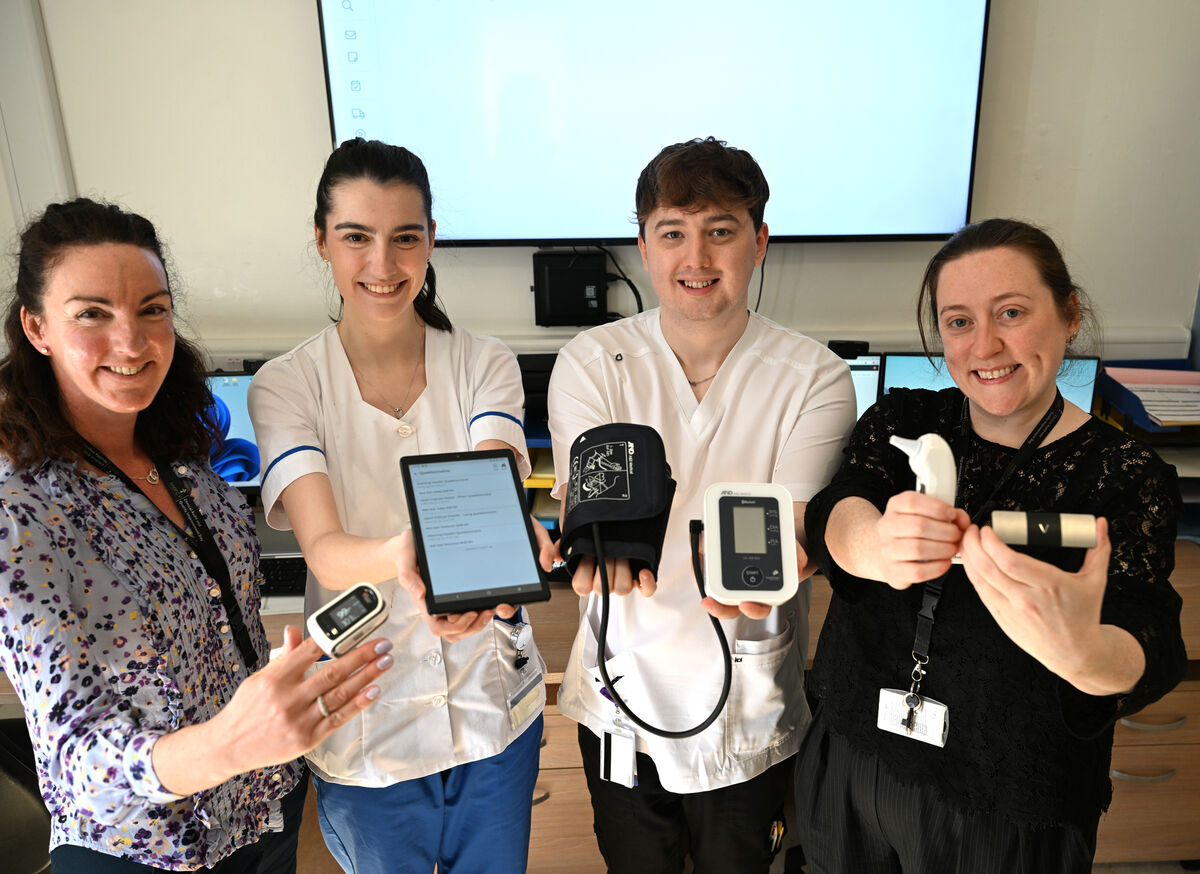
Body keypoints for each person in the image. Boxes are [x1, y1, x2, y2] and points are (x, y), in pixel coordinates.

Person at [0, 198, 394, 873]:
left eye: (152, 310)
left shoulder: (180, 456)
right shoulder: (22, 508)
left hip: (259, 812)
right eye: (92, 314)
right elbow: (75, 761)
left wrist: (278, 707)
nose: (132, 343)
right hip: (149, 848)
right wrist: (231, 744)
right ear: (36, 327)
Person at [795, 218, 1187, 872]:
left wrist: (1087, 654)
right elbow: (841, 504)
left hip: (1005, 797)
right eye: (959, 322)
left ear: (1069, 316)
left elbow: (1149, 634)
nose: (985, 345)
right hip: (854, 753)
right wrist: (873, 546)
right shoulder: (906, 420)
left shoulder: (1123, 474)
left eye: (1011, 313)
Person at [546, 136, 857, 873]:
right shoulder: (592, 363)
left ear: (760, 241)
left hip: (747, 698)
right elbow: (594, 515)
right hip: (622, 699)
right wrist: (589, 552)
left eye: (721, 230)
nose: (697, 257)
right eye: (672, 233)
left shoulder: (814, 376)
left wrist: (801, 554)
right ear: (643, 247)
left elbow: (792, 528)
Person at [248, 138, 548, 874]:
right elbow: (325, 551)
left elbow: (489, 497)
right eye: (357, 237)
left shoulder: (484, 363)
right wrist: (406, 554)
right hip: (367, 728)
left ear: (431, 240)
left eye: (405, 238)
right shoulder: (287, 385)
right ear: (322, 240)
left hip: (491, 712)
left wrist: (502, 546)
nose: (382, 264)